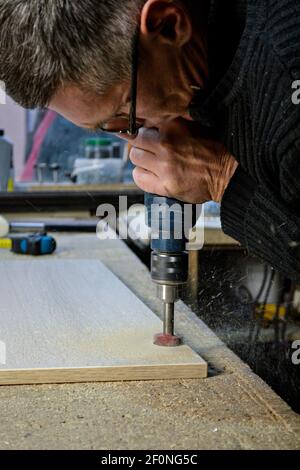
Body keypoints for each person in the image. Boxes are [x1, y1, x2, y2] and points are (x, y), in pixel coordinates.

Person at [0, 0, 299, 279]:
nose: (135, 135)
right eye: (108, 125)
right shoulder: (185, 61)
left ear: (168, 25)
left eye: (124, 112)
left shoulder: (286, 77)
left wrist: (222, 179)